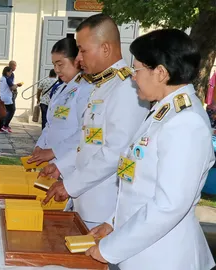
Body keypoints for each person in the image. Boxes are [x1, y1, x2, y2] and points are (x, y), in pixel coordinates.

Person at [86, 29, 215, 270]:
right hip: (143, 253)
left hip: (165, 258)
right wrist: (114, 223)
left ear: (161, 73)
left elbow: (169, 204)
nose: (133, 77)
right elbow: (141, 189)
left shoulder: (185, 122)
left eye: (138, 69)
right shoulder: (162, 112)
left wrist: (110, 248)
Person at [40, 14, 149, 229]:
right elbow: (88, 143)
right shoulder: (102, 84)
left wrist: (70, 185)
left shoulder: (126, 88)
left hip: (103, 206)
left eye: (83, 50)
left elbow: (114, 151)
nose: (78, 58)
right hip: (86, 200)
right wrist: (61, 165)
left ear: (106, 49)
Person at [28, 37, 92, 166]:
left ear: (76, 61)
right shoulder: (61, 88)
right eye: (54, 65)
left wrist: (54, 151)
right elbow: (50, 124)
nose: (56, 70)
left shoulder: (87, 89)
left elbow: (84, 131)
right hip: (52, 162)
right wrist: (40, 145)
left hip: (70, 162)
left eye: (60, 64)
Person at [0, 66, 15, 133]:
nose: (11, 73)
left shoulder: (1, 78)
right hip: (7, 98)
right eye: (10, 72)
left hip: (2, 97)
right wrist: (18, 85)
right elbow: (12, 87)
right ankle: (5, 125)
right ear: (7, 72)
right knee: (11, 110)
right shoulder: (7, 79)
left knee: (3, 112)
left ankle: (1, 127)